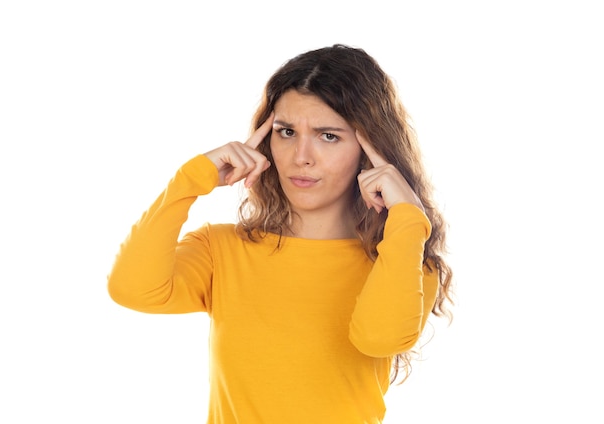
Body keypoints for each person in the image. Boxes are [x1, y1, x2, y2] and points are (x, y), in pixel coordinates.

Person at [107, 44, 453, 423]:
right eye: (286, 132)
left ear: (368, 150)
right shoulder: (221, 249)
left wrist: (406, 216)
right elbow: (131, 289)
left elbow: (379, 338)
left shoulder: (402, 260)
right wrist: (192, 179)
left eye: (328, 136)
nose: (300, 156)